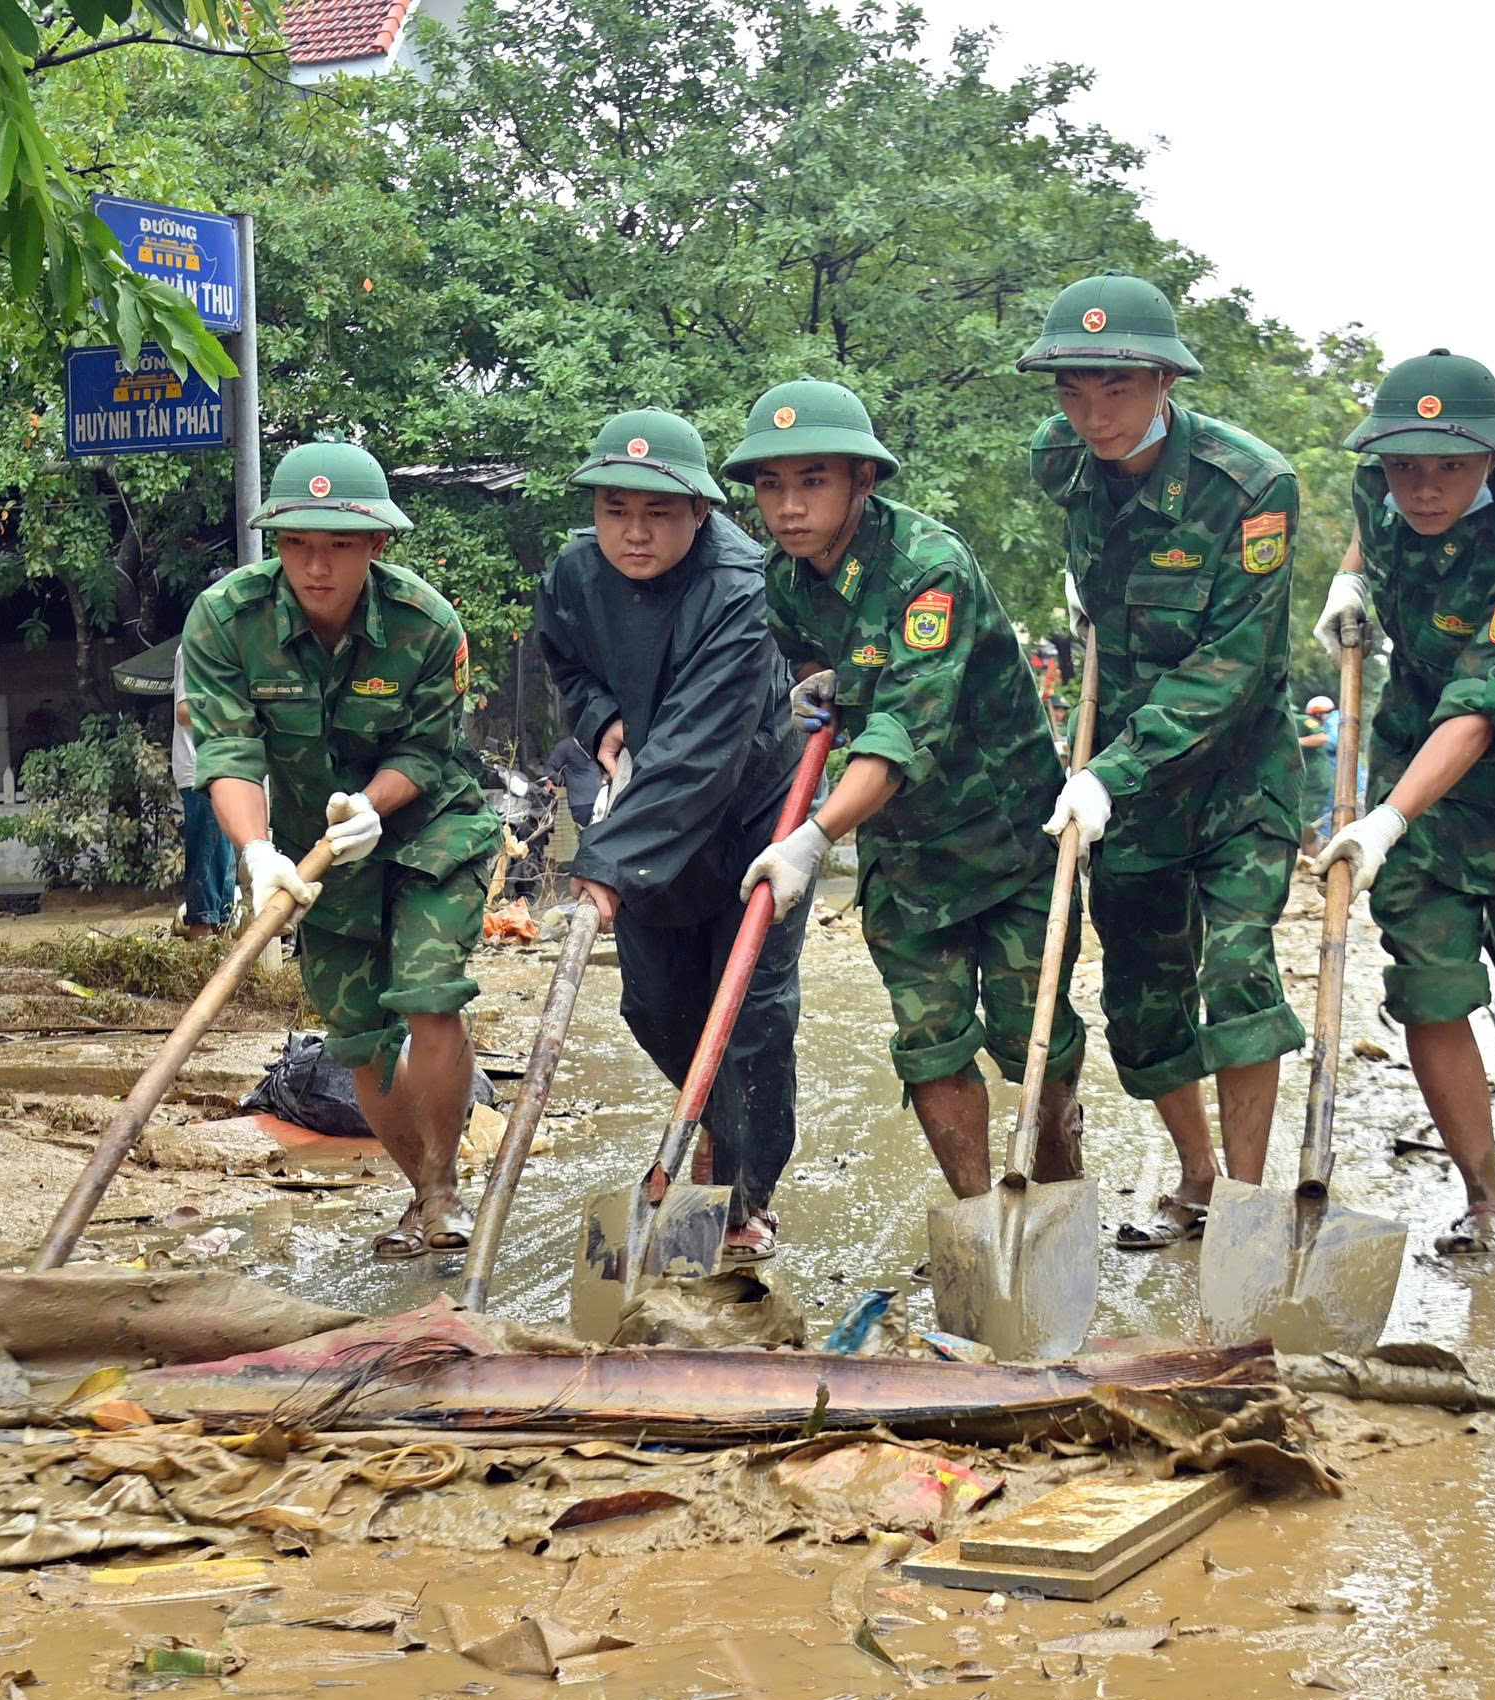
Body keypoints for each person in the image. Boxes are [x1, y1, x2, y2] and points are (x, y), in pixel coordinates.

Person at [732, 378, 1088, 1202]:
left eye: (812, 480)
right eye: (771, 485)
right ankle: (977, 1221)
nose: (788, 506)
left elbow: (900, 732)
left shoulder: (929, 567)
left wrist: (812, 837)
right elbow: (815, 656)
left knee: (1031, 1038)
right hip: (904, 849)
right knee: (928, 1041)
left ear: (862, 479)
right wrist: (817, 679)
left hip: (1009, 842)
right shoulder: (784, 578)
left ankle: (1059, 1198)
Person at [1022, 274, 1307, 1251]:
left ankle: (1247, 1207)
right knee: (1143, 1002)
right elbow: (1068, 467)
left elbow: (1233, 665)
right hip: (1121, 776)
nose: (1094, 416)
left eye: (1117, 390)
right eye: (1073, 392)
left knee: (1236, 969)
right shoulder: (1061, 458)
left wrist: (1112, 771)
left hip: (1235, 773)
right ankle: (1195, 1174)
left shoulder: (1251, 486)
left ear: (1165, 381)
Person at [1311, 349, 1495, 1255]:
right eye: (1404, 465)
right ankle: (1486, 1196)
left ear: (1493, 456)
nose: (1424, 487)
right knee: (1429, 988)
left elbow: (1481, 711)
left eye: (1450, 464)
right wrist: (1351, 577)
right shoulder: (1381, 492)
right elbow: (1371, 519)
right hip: (1419, 780)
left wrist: (1383, 820)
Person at [183, 443, 502, 1258]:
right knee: (358, 1034)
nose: (315, 566)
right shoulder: (225, 620)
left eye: (337, 545)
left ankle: (446, 1191)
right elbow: (228, 750)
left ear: (376, 544)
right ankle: (421, 1190)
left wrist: (371, 804)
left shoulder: (427, 624)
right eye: (296, 544)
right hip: (316, 854)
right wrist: (257, 852)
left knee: (428, 991)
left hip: (429, 832)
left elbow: (427, 750)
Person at [534, 409, 810, 1259]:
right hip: (647, 813)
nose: (635, 532)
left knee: (751, 1015)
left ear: (701, 510)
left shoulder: (741, 588)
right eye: (615, 509)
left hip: (752, 818)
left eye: (658, 512)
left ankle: (744, 1195)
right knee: (655, 1003)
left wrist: (606, 861)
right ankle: (715, 1129)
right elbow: (566, 660)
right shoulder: (574, 575)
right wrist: (600, 717)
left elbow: (698, 749)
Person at [172, 644, 237, 940]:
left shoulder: (233, 648)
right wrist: (234, 709)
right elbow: (184, 712)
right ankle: (200, 943)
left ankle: (223, 944)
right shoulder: (194, 647)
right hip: (201, 767)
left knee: (225, 862)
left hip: (228, 767)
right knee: (207, 858)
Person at [1299, 693, 1340, 851]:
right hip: (1330, 777)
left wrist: (1300, 742)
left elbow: (1331, 741)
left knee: (1325, 819)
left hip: (1333, 779)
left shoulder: (1334, 721)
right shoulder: (1336, 720)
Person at [542, 734, 607, 830]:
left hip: (601, 799)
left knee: (603, 831)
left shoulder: (597, 743)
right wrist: (562, 781)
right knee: (585, 833)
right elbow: (549, 768)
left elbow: (608, 767)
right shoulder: (565, 746)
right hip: (580, 803)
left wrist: (605, 780)